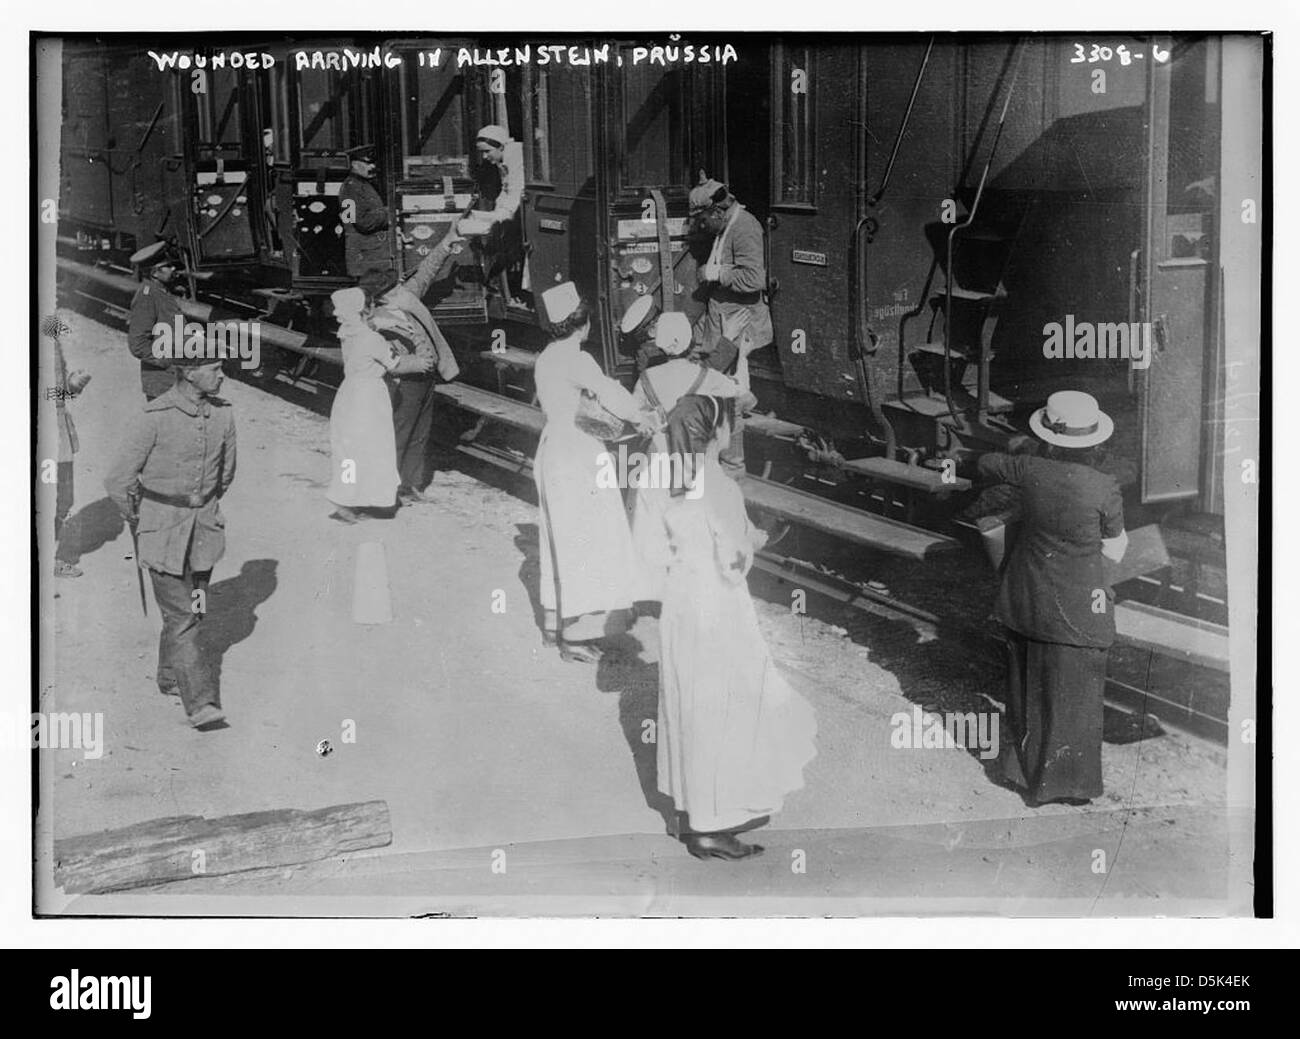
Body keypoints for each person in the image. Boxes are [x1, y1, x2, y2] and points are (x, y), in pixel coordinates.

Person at [656, 395, 817, 860]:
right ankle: (712, 825)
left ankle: (692, 810)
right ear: (715, 431)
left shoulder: (665, 474)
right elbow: (731, 562)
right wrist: (755, 539)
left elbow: (664, 539)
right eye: (730, 421)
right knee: (724, 708)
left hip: (679, 602)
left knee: (690, 704)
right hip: (715, 605)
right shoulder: (717, 485)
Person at [976, 390, 1130, 807]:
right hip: (1078, 609)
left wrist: (1021, 453)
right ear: (1094, 442)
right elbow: (1115, 547)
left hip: (1027, 599)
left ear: (1048, 437)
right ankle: (1069, 785)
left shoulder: (1029, 469)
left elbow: (987, 463)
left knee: (1025, 685)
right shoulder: (1103, 486)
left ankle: (1018, 773)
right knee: (1075, 694)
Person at [104, 356, 237, 731]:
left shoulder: (224, 415)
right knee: (182, 616)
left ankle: (169, 677)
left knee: (193, 609)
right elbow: (118, 479)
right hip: (161, 530)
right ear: (188, 372)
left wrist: (202, 507)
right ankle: (201, 704)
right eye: (214, 368)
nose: (222, 374)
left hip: (204, 533)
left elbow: (225, 475)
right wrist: (138, 516)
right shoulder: (155, 416)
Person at [533, 282, 655, 662]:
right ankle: (576, 633)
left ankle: (557, 624)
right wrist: (642, 416)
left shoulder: (546, 358)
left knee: (559, 538)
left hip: (553, 447)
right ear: (582, 324)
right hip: (579, 454)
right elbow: (610, 393)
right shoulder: (578, 360)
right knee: (586, 539)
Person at [627, 311, 741, 603]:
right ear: (689, 340)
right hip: (691, 461)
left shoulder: (646, 378)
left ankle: (650, 593)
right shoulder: (705, 376)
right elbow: (739, 393)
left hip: (657, 461)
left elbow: (636, 415)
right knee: (691, 526)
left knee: (651, 523)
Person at [368, 228, 465, 504]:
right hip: (405, 383)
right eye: (393, 284)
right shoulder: (377, 320)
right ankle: (385, 488)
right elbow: (388, 360)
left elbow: (426, 271)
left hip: (426, 379)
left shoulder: (405, 297)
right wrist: (418, 363)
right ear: (384, 295)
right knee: (400, 433)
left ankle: (410, 484)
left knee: (420, 433)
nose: (402, 284)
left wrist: (447, 242)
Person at [326, 288, 432, 524]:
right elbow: (394, 364)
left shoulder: (347, 332)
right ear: (365, 309)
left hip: (349, 395)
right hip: (370, 399)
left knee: (349, 450)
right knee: (376, 449)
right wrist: (420, 362)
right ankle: (377, 499)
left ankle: (345, 497)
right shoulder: (371, 338)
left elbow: (366, 332)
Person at [687, 179, 772, 470]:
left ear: (717, 213)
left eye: (702, 220)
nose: (701, 226)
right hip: (724, 327)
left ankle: (731, 467)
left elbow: (753, 279)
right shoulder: (728, 226)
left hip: (738, 331)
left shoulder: (745, 227)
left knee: (727, 400)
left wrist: (716, 273)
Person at [48, 319, 91, 577]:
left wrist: (73, 385)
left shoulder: (51, 339)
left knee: (63, 499)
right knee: (50, 498)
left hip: (59, 430)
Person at [467, 124, 526, 297]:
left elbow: (516, 192)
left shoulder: (516, 157)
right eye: (482, 153)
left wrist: (497, 216)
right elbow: (505, 191)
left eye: (487, 151)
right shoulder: (503, 158)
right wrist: (494, 213)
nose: (485, 157)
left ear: (500, 146)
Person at [127, 241, 185, 401]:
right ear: (155, 272)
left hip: (175, 380)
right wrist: (166, 362)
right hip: (162, 383)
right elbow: (137, 345)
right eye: (168, 266)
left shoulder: (161, 291)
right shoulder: (147, 296)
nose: (173, 269)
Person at [339, 144, 395, 298]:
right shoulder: (351, 188)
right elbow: (363, 222)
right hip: (366, 257)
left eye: (373, 163)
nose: (373, 166)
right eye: (368, 163)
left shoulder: (362, 185)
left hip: (371, 255)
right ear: (355, 164)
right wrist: (388, 214)